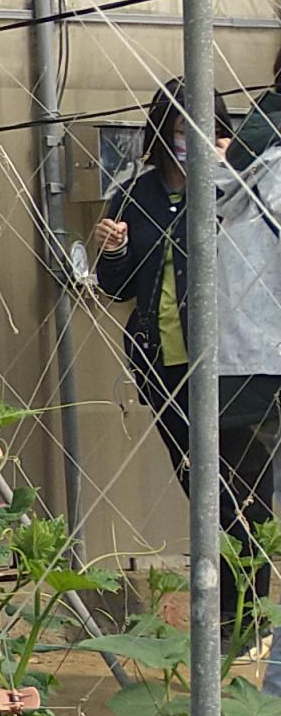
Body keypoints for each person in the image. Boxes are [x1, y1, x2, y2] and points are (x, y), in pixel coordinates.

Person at [101, 81, 281, 653]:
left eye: (198, 128)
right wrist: (111, 248)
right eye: (176, 130)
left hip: (231, 363)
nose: (187, 141)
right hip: (165, 363)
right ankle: (224, 615)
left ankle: (245, 620)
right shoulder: (135, 195)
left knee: (242, 494)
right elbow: (118, 286)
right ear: (158, 134)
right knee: (200, 491)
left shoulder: (238, 184)